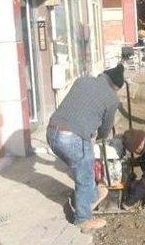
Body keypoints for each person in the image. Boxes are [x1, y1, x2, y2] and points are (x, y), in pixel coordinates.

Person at [46, 64, 125, 233]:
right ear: (116, 86)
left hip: (52, 132)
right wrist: (102, 138)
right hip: (71, 137)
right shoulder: (112, 99)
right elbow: (105, 129)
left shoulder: (81, 81)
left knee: (82, 166)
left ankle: (88, 199)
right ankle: (83, 218)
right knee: (86, 175)